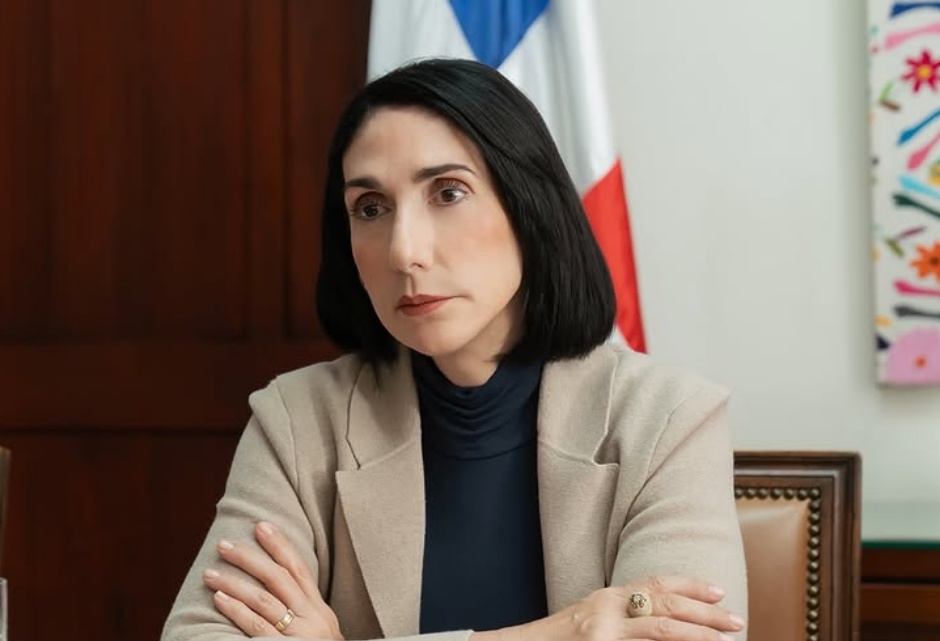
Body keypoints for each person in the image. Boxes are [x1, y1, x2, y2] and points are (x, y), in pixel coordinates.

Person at [161, 57, 748, 641]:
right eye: (370, 207)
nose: (404, 251)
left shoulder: (667, 419)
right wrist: (568, 630)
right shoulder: (299, 419)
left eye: (447, 192)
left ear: (528, 206)